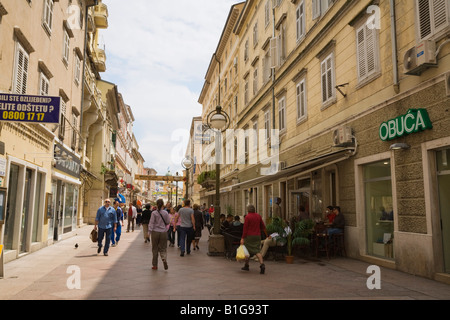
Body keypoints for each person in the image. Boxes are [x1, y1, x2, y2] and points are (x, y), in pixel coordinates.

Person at [240, 204, 267, 274]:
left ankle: (246, 265)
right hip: (257, 236)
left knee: (247, 251)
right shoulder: (258, 216)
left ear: (248, 210)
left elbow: (245, 229)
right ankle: (262, 264)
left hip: (249, 236)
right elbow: (263, 226)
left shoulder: (247, 217)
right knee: (257, 251)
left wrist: (242, 238)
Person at [148, 199, 170, 270]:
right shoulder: (166, 213)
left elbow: (151, 223)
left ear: (157, 205)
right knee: (163, 248)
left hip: (155, 232)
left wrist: (149, 232)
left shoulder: (154, 213)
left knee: (155, 248)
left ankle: (155, 265)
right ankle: (163, 258)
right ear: (163, 205)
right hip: (163, 232)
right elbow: (168, 222)